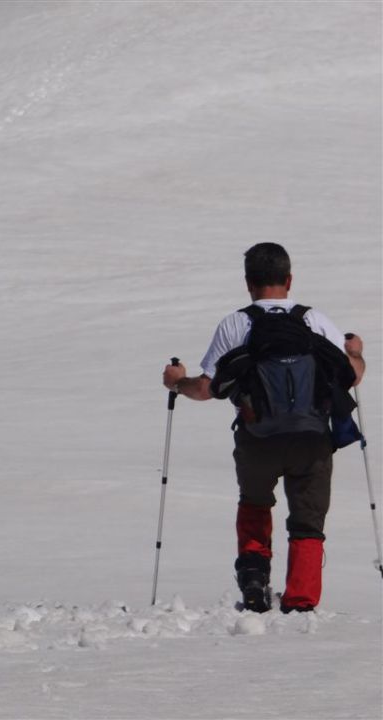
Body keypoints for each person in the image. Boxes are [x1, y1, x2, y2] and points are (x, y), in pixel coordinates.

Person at [162, 242, 364, 614]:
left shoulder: (236, 323)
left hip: (257, 437)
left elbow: (208, 389)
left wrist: (177, 382)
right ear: (289, 279)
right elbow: (351, 377)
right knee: (308, 518)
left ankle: (254, 580)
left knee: (255, 503)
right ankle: (301, 600)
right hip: (312, 439)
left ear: (247, 283)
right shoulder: (313, 320)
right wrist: (355, 350)